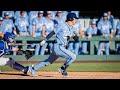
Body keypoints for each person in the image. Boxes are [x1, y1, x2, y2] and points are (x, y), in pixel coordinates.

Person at [28, 13, 78, 77]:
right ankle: (63, 69)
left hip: (61, 47)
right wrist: (44, 40)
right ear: (70, 19)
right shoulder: (62, 25)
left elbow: (76, 39)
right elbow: (52, 33)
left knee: (48, 61)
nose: (76, 20)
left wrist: (76, 35)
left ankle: (33, 68)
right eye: (75, 18)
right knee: (73, 56)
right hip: (58, 46)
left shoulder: (72, 28)